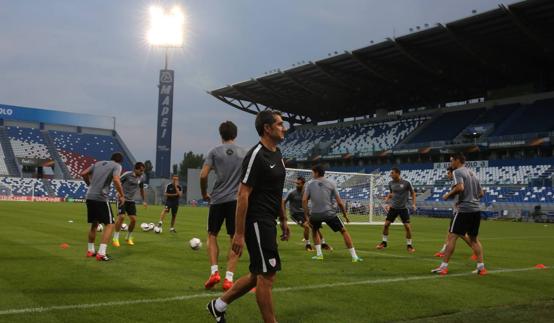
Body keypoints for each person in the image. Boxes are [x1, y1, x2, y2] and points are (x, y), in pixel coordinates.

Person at [207, 110, 289, 323]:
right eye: (280, 124)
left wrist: (283, 219)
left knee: (258, 273)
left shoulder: (278, 154)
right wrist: (239, 234)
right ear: (267, 128)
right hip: (257, 221)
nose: (284, 127)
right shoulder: (256, 155)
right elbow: (242, 194)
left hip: (269, 220)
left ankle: (218, 305)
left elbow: (277, 192)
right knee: (266, 275)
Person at [201, 121, 247, 291]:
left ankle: (214, 272)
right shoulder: (244, 153)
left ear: (221, 134)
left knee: (212, 235)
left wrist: (205, 193)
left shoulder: (214, 152)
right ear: (235, 134)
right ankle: (229, 278)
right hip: (236, 200)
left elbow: (203, 174)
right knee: (234, 238)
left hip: (217, 199)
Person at [432, 153, 487, 276]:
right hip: (476, 209)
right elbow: (481, 193)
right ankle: (481, 267)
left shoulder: (457, 172)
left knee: (452, 237)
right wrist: (472, 199)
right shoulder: (473, 173)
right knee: (474, 239)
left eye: (451, 161)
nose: (450, 163)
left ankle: (443, 267)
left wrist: (448, 195)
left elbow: (460, 188)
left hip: (463, 210)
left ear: (457, 160)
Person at [303, 165, 362, 262]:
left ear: (317, 173)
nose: (312, 174)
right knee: (343, 231)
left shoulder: (309, 184)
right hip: (329, 213)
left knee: (314, 231)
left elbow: (304, 200)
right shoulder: (331, 183)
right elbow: (339, 202)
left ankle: (319, 255)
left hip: (315, 214)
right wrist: (345, 215)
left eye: (312, 172)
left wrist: (307, 216)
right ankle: (354, 256)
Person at [81, 152, 125, 261]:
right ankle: (101, 253)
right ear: (120, 161)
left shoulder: (98, 163)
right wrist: (122, 195)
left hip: (89, 196)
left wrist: (89, 184)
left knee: (94, 224)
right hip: (101, 197)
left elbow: (83, 173)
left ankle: (90, 251)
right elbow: (116, 179)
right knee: (110, 224)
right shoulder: (117, 166)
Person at [434, 166, 477, 260]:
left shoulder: (457, 183)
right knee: (450, 232)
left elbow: (459, 193)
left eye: (448, 173)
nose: (447, 175)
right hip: (458, 210)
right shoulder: (456, 182)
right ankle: (444, 250)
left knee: (460, 234)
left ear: (452, 173)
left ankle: (476, 250)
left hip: (460, 211)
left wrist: (447, 195)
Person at [281, 176, 332, 252]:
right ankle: (307, 245)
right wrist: (284, 214)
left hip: (305, 213)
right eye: (296, 183)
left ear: (303, 184)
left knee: (315, 227)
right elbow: (283, 202)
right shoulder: (292, 193)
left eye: (299, 184)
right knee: (306, 226)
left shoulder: (307, 192)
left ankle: (323, 244)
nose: (297, 185)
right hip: (295, 214)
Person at [376, 167, 417, 253]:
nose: (390, 175)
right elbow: (392, 193)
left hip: (403, 208)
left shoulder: (406, 183)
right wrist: (387, 198)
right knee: (386, 225)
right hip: (393, 208)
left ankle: (409, 246)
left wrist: (413, 204)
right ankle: (384, 242)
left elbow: (413, 193)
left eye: (392, 173)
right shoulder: (390, 183)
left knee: (407, 227)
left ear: (398, 173)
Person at [112, 162, 147, 247]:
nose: (142, 172)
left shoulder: (141, 178)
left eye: (143, 171)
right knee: (122, 217)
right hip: (122, 199)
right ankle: (115, 238)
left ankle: (128, 237)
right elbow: (116, 182)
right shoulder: (127, 175)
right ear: (135, 169)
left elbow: (142, 189)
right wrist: (119, 194)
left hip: (131, 201)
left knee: (134, 220)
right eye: (141, 170)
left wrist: (144, 200)